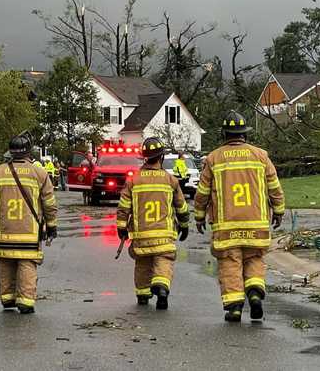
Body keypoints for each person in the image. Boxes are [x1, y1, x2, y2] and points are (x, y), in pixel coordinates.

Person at [194, 111, 285, 323]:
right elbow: (274, 187)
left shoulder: (214, 158)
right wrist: (279, 211)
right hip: (257, 224)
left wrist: (199, 217)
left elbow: (203, 193)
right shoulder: (261, 155)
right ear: (244, 134)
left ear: (224, 134)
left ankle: (234, 308)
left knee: (230, 264)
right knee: (254, 259)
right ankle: (254, 292)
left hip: (227, 228)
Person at [0, 134, 58, 314]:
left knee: (6, 263)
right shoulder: (39, 173)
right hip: (29, 233)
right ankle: (26, 301)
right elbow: (49, 203)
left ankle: (7, 299)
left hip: (4, 232)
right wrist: (52, 226)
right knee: (27, 263)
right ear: (29, 151)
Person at [116, 137, 189, 310]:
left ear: (144, 157)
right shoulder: (170, 180)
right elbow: (181, 205)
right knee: (164, 260)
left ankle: (142, 295)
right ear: (161, 156)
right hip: (164, 235)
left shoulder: (134, 180)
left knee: (142, 263)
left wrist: (121, 227)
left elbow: (123, 207)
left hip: (141, 235)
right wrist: (184, 224)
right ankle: (162, 287)